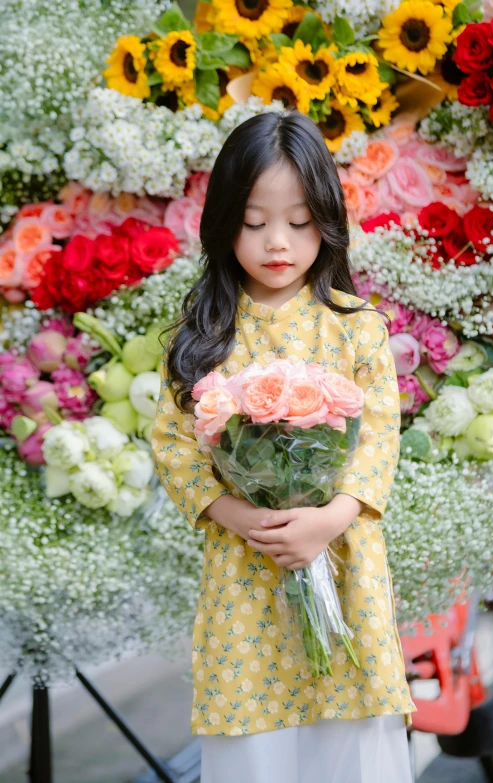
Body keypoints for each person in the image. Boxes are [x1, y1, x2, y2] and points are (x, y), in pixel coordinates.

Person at [151, 109, 416, 783]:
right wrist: (245, 519)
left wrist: (329, 520)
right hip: (246, 568)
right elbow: (175, 446)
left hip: (342, 560)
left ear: (326, 220)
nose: (278, 242)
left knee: (350, 728)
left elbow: (378, 437)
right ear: (222, 222)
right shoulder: (203, 333)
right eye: (253, 220)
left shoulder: (357, 328)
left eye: (298, 222)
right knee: (255, 734)